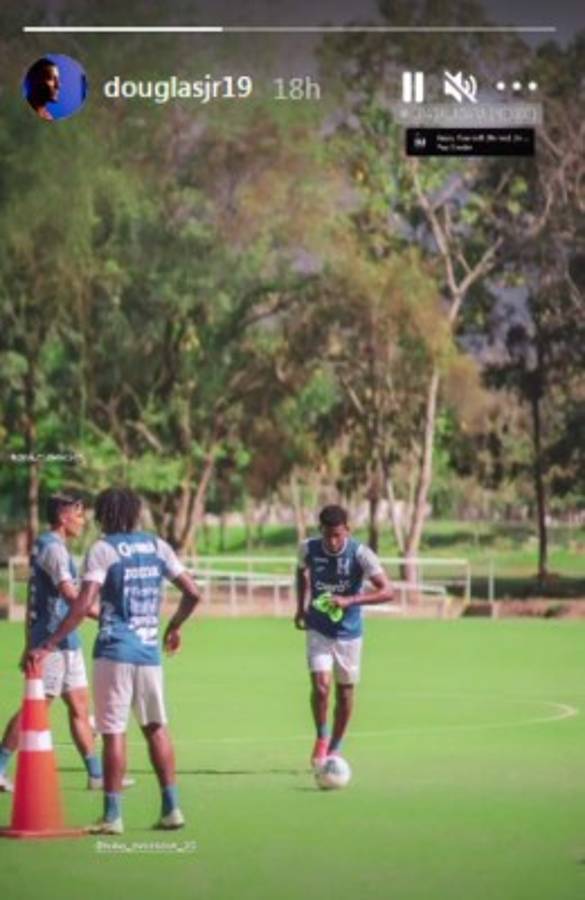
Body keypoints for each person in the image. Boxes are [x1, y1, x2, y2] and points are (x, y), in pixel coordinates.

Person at [28, 487, 201, 835]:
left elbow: (81, 604)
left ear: (107, 514)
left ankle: (112, 816)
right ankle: (172, 808)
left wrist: (49, 643)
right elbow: (193, 593)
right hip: (150, 653)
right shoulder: (157, 545)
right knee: (156, 727)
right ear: (135, 513)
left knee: (113, 732)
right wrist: (173, 627)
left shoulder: (103, 549)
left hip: (114, 651)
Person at [0, 493, 105, 793]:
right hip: (53, 643)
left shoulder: (49, 547)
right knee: (36, 709)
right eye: (79, 514)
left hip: (65, 641)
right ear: (63, 516)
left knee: (80, 709)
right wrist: (107, 616)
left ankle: (96, 776)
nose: (83, 521)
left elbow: (37, 600)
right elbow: (73, 596)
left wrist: (26, 641)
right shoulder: (54, 550)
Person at [294, 504, 393, 768]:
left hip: (349, 634)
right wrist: (300, 607)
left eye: (338, 535)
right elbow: (301, 571)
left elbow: (387, 591)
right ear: (321, 531)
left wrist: (350, 600)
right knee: (321, 687)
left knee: (345, 693)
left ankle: (336, 748)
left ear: (347, 530)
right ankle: (322, 738)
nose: (333, 541)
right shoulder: (308, 549)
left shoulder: (361, 554)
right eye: (328, 535)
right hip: (318, 629)